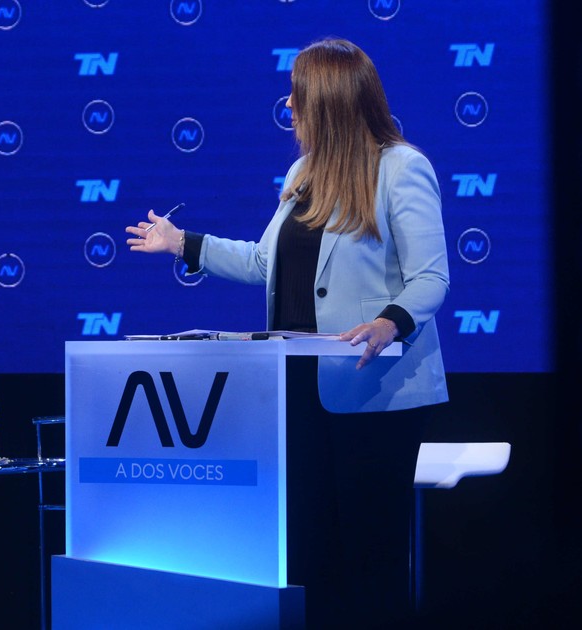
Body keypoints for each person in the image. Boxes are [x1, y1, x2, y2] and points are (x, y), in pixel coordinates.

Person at [125, 38, 449, 628]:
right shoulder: (303, 172)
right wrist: (184, 244)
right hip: (298, 390)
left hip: (373, 389)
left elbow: (430, 277)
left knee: (369, 557)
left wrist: (388, 322)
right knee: (309, 553)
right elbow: (263, 263)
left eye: (297, 96)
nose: (289, 107)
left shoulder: (402, 168)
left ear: (327, 100)